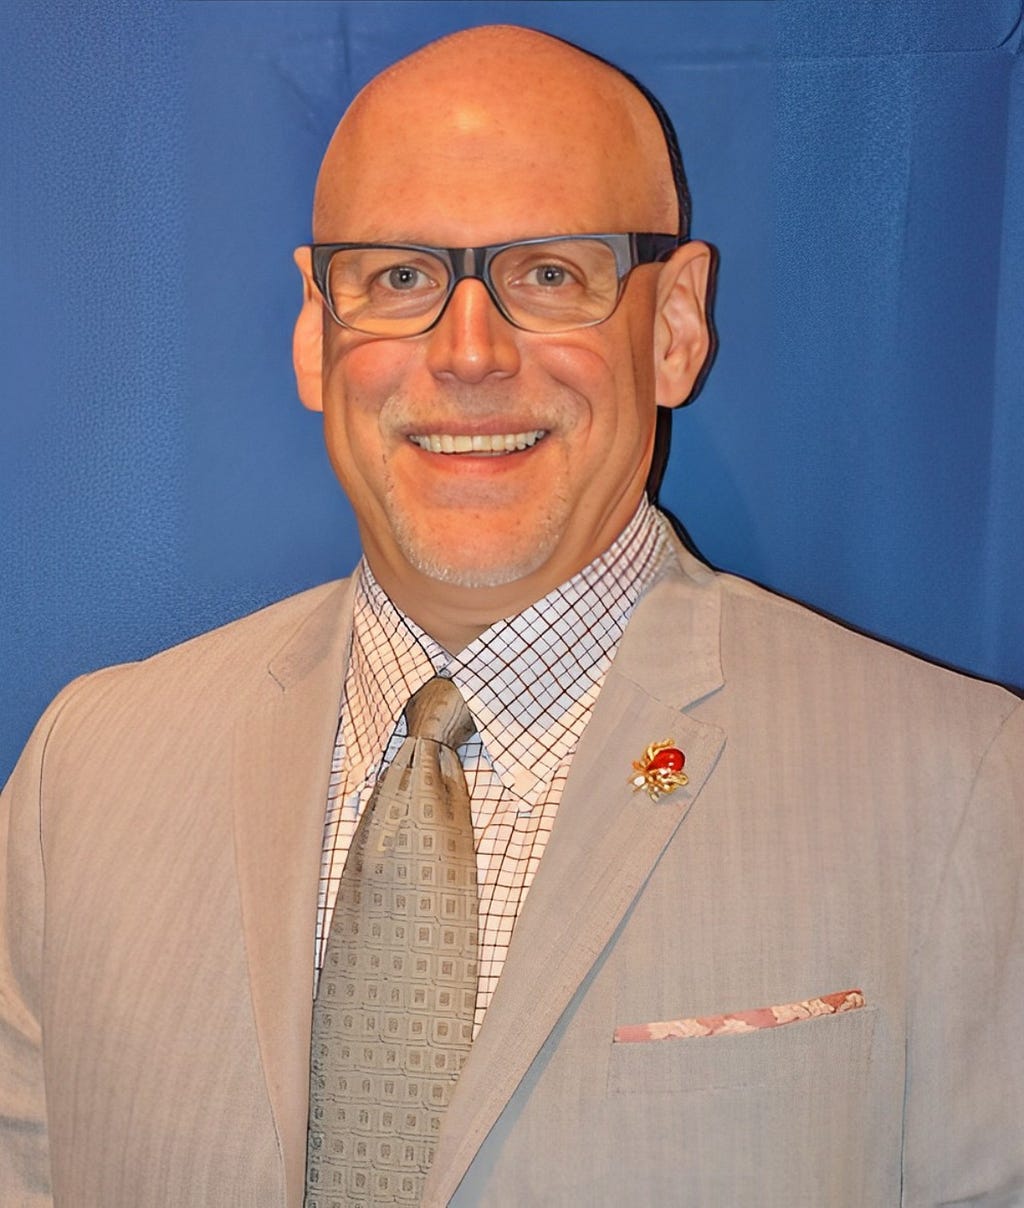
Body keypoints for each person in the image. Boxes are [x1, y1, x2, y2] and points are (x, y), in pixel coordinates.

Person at [1, 23, 1021, 1208]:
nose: (469, 353)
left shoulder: (956, 788)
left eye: (549, 273)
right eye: (399, 277)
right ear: (315, 331)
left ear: (674, 324)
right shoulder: (86, 772)